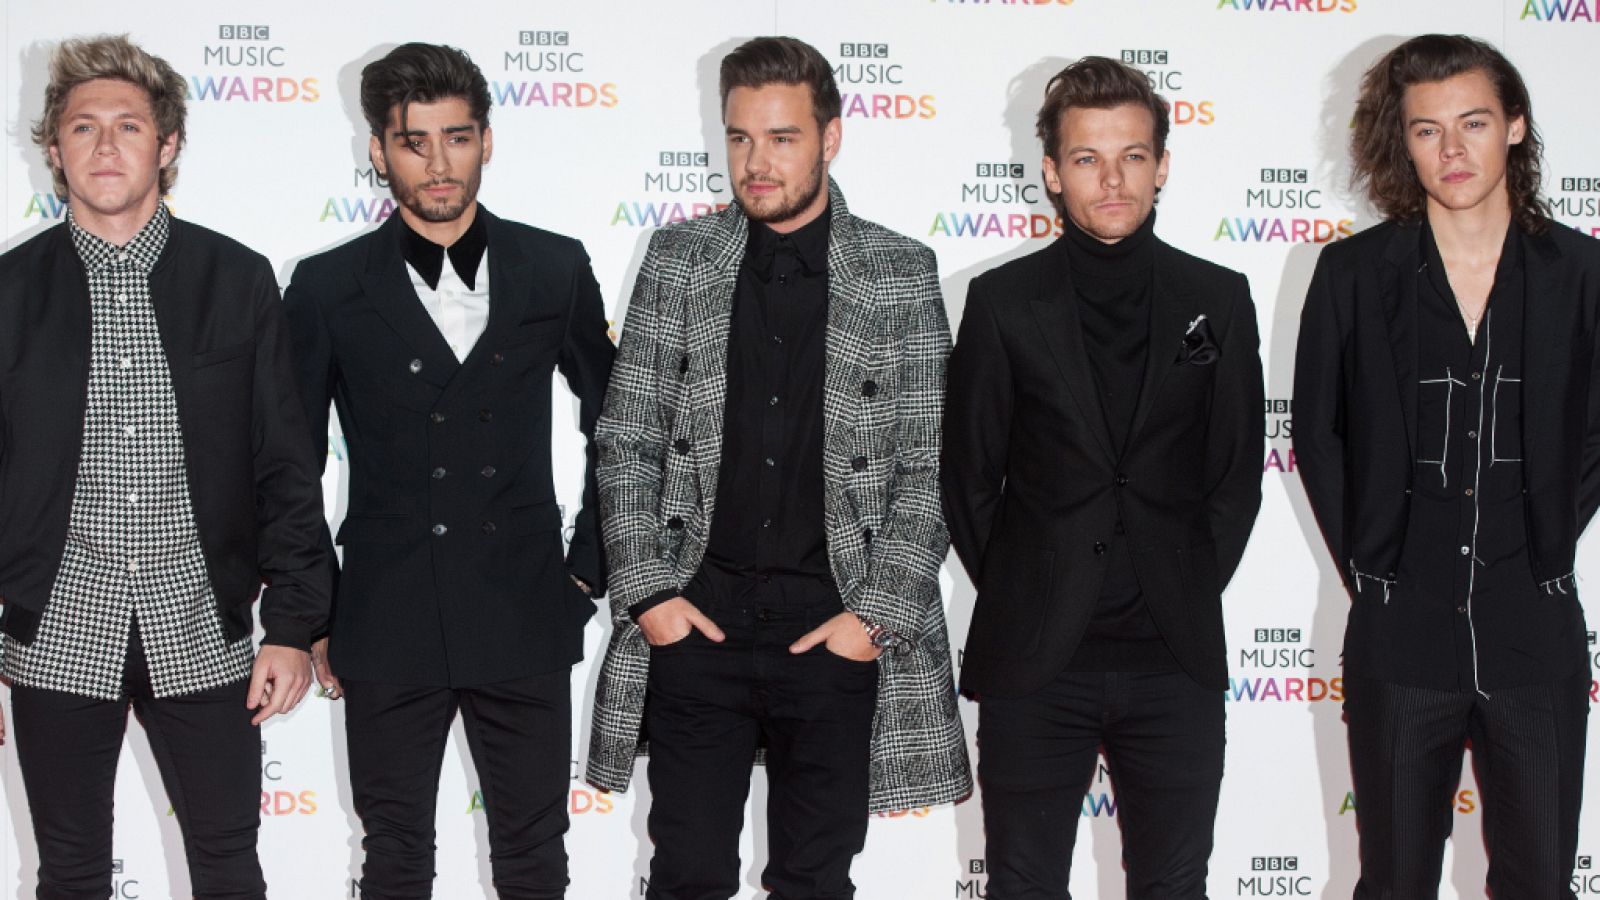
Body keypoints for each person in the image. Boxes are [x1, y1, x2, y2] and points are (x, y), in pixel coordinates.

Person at [584, 35, 970, 900]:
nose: (757, 164)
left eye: (783, 138)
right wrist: (649, 595)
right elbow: (627, 435)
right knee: (684, 877)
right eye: (740, 138)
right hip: (698, 626)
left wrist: (873, 619)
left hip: (835, 630)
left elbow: (931, 464)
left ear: (831, 138)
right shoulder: (678, 260)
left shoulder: (900, 271)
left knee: (815, 883)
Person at [0, 33, 330, 899]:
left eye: (129, 127)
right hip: (55, 629)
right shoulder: (9, 293)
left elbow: (285, 465)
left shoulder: (236, 280)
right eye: (83, 128)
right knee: (70, 873)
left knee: (228, 866)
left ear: (168, 143)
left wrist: (292, 624)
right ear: (53, 148)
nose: (106, 147)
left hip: (201, 626)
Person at [282, 43, 614, 900]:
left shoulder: (554, 267)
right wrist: (314, 610)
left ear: (487, 141)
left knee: (535, 857)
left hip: (524, 604)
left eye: (457, 138)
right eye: (414, 141)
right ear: (378, 150)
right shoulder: (325, 286)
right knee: (393, 857)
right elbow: (289, 464)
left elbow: (621, 425)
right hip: (386, 612)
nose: (438, 164)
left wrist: (588, 567)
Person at [942, 55, 1264, 898]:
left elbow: (1235, 475)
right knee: (1022, 884)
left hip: (1174, 661)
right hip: (1035, 663)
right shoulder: (1002, 302)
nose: (1112, 178)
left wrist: (1180, 580)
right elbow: (968, 478)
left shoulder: (1219, 298)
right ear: (1052, 173)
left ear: (1162, 166)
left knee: (1174, 885)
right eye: (1087, 158)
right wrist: (1031, 586)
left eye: (1132, 156)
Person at [1294, 34, 1598, 898]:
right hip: (1400, 632)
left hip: (1534, 630)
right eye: (1427, 130)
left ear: (1515, 126)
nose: (1452, 150)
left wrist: (1545, 535)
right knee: (1393, 881)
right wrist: (1378, 563)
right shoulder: (1352, 275)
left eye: (1473, 123)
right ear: (1402, 142)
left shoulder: (1582, 273)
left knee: (1541, 884)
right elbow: (1318, 434)